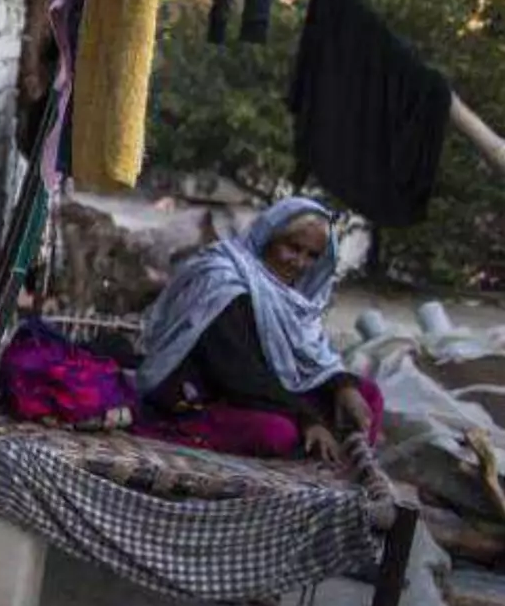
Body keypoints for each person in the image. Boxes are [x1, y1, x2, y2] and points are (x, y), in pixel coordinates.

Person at [133, 197, 383, 464]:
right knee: (277, 433)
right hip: (207, 394)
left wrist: (342, 385)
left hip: (267, 389)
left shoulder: (291, 297)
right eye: (293, 248)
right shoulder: (223, 281)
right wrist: (306, 418)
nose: (299, 263)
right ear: (268, 238)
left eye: (312, 255)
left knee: (365, 395)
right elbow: (236, 372)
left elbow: (311, 358)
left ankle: (337, 464)